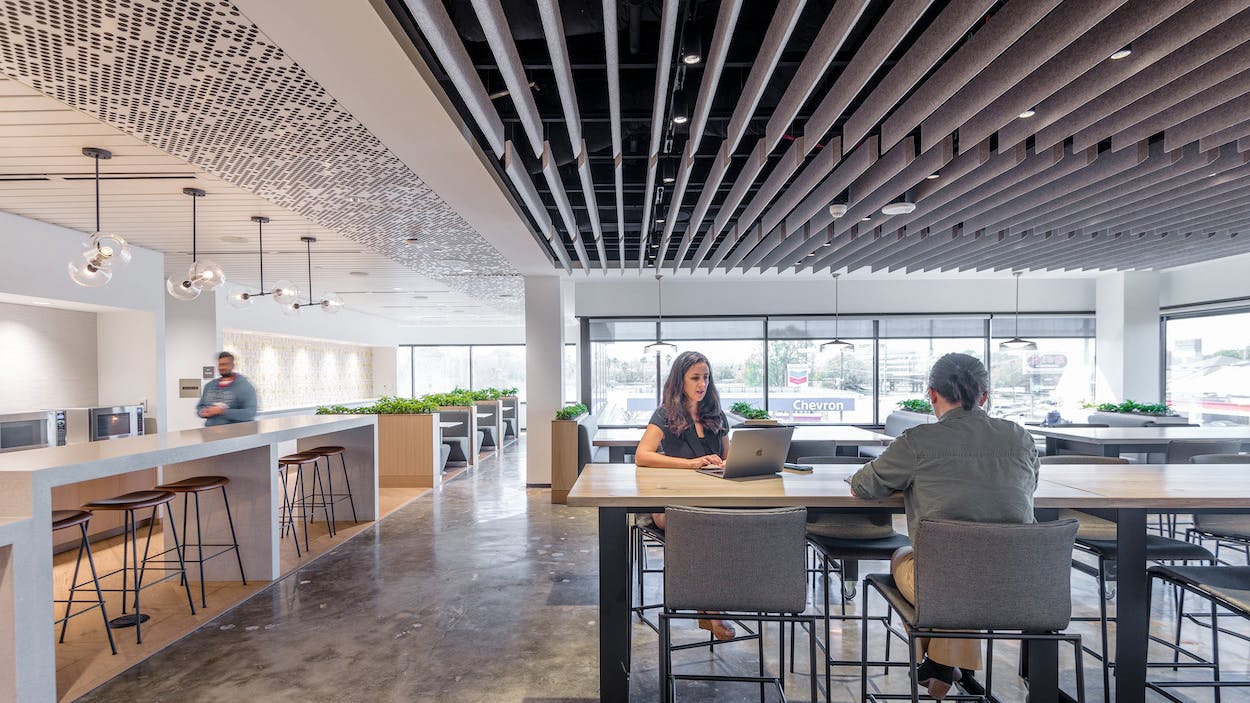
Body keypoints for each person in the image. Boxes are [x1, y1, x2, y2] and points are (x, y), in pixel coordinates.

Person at [849, 353, 1039, 699]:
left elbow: (863, 486)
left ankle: (939, 666)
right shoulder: (1020, 437)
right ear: (983, 396)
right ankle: (943, 667)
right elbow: (1029, 489)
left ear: (932, 393)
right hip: (1018, 583)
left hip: (946, 584)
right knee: (963, 570)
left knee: (920, 562)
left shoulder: (917, 442)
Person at [633, 350, 734, 641]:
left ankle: (712, 608)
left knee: (727, 526)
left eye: (706, 377)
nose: (702, 384)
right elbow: (643, 455)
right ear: (681, 380)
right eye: (695, 378)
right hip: (673, 504)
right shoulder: (665, 413)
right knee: (706, 529)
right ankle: (712, 611)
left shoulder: (716, 413)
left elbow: (728, 456)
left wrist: (730, 463)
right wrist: (690, 464)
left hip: (713, 499)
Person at [197, 351, 258, 426]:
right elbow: (200, 406)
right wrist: (203, 412)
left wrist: (222, 411)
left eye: (225, 364)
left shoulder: (245, 386)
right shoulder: (209, 386)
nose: (222, 368)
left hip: (235, 435)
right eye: (220, 365)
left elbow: (250, 413)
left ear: (232, 365)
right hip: (210, 433)